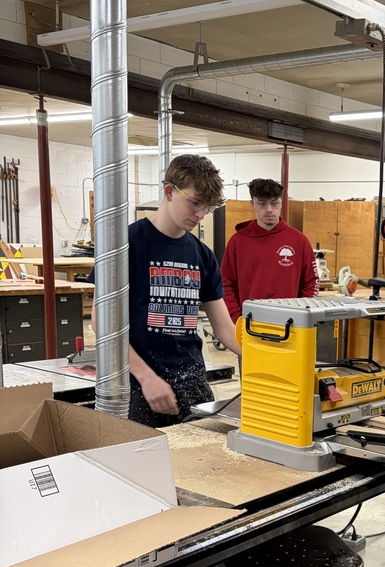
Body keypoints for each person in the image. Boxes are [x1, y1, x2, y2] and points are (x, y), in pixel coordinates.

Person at [93, 154, 240, 427]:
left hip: (193, 383)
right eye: (195, 203)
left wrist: (268, 359)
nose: (200, 214)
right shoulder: (125, 245)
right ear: (169, 191)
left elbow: (225, 329)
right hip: (140, 387)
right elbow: (102, 325)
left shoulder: (202, 255)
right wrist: (147, 378)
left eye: (207, 207)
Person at [221, 177, 318, 321]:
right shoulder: (238, 241)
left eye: (274, 203)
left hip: (291, 325)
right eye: (262, 204)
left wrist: (302, 317)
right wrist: (237, 319)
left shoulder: (299, 241)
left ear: (281, 203)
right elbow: (226, 284)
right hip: (249, 324)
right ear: (252, 204)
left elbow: (311, 283)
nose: (269, 210)